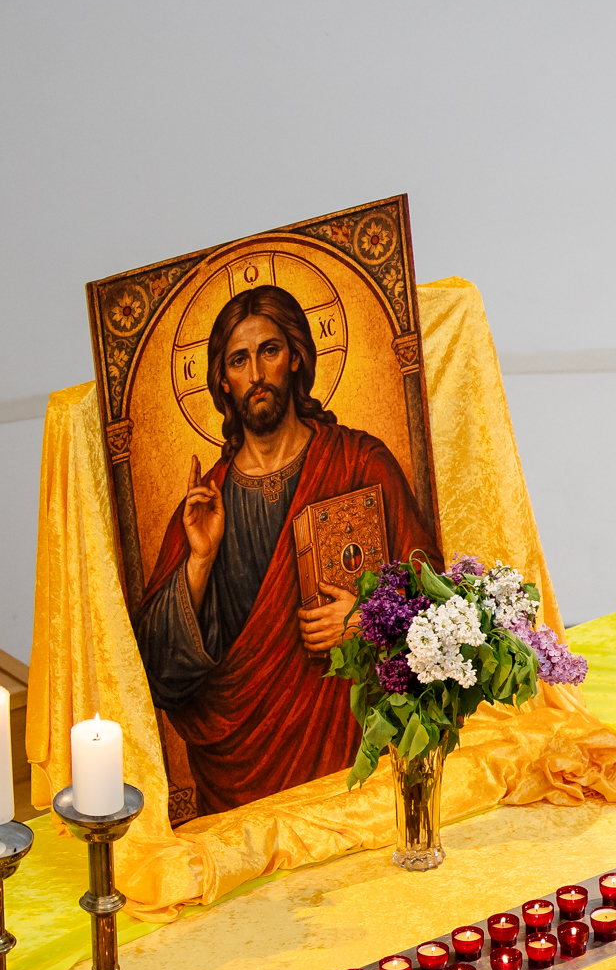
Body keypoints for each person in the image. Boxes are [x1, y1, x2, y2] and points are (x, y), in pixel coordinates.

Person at [133, 282, 439, 817]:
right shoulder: (205, 505)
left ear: (295, 357)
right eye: (239, 360)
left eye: (269, 351)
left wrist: (367, 620)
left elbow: (437, 595)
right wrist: (199, 561)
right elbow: (160, 671)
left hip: (353, 754)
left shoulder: (359, 463)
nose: (256, 373)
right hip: (242, 778)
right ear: (223, 381)